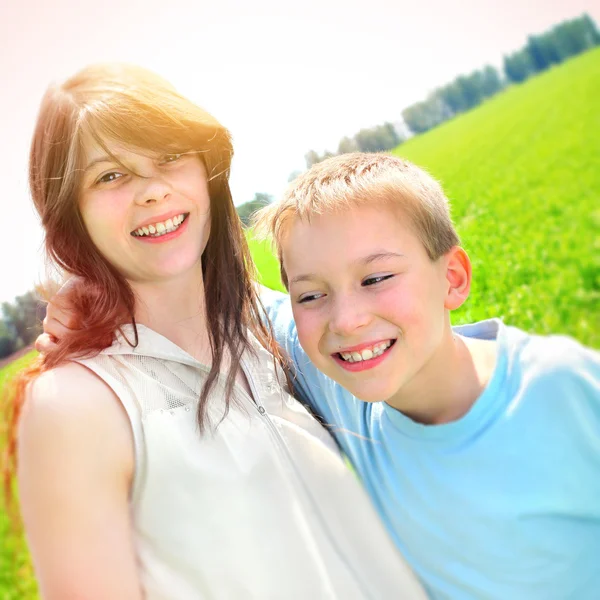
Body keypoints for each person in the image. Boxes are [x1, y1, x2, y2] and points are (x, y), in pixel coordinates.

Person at [6, 66, 426, 599]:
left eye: (169, 157)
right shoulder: (76, 405)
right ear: (71, 214)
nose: (153, 192)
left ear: (207, 166)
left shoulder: (276, 334)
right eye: (110, 176)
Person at [250, 153, 600, 600]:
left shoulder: (560, 388)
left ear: (452, 278)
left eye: (375, 278)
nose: (346, 320)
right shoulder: (343, 384)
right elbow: (235, 294)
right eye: (312, 294)